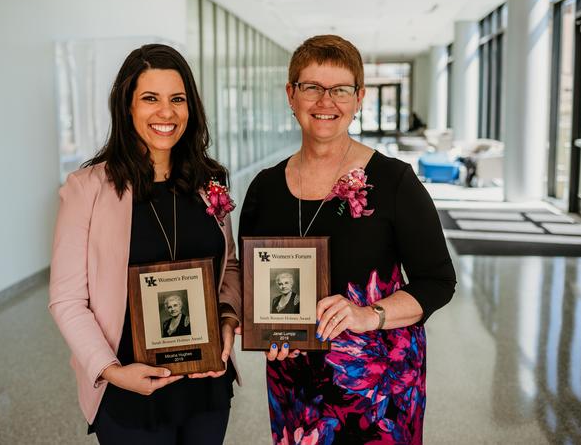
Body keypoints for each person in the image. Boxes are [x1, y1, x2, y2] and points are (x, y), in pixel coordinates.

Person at [239, 35, 456, 444]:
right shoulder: (263, 189)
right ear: (291, 94)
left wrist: (366, 314)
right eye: (312, 88)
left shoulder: (394, 182)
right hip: (294, 385)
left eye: (339, 89)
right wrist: (260, 328)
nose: (326, 102)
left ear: (359, 98)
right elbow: (256, 284)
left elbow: (438, 282)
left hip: (379, 389)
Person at [49, 43, 242, 445]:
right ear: (127, 107)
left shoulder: (210, 182)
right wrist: (111, 371)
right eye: (150, 98)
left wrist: (228, 318)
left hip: (204, 383)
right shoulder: (88, 190)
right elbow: (66, 299)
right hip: (130, 385)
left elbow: (230, 269)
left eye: (177, 99)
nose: (166, 112)